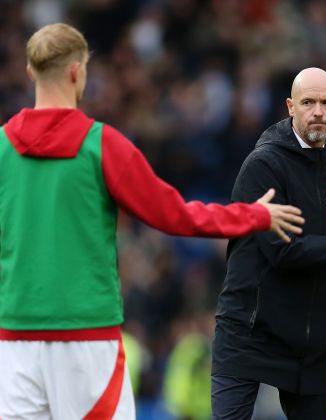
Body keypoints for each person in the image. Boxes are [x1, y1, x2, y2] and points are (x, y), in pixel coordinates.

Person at [0, 23, 304, 420]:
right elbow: (174, 215)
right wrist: (255, 214)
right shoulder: (102, 145)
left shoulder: (3, 147)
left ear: (29, 72)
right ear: (77, 71)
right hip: (86, 336)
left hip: (15, 339)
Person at [210, 67, 326, 420]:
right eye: (308, 102)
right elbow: (282, 250)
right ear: (290, 107)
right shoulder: (263, 165)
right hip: (249, 333)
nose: (318, 111)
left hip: (310, 341)